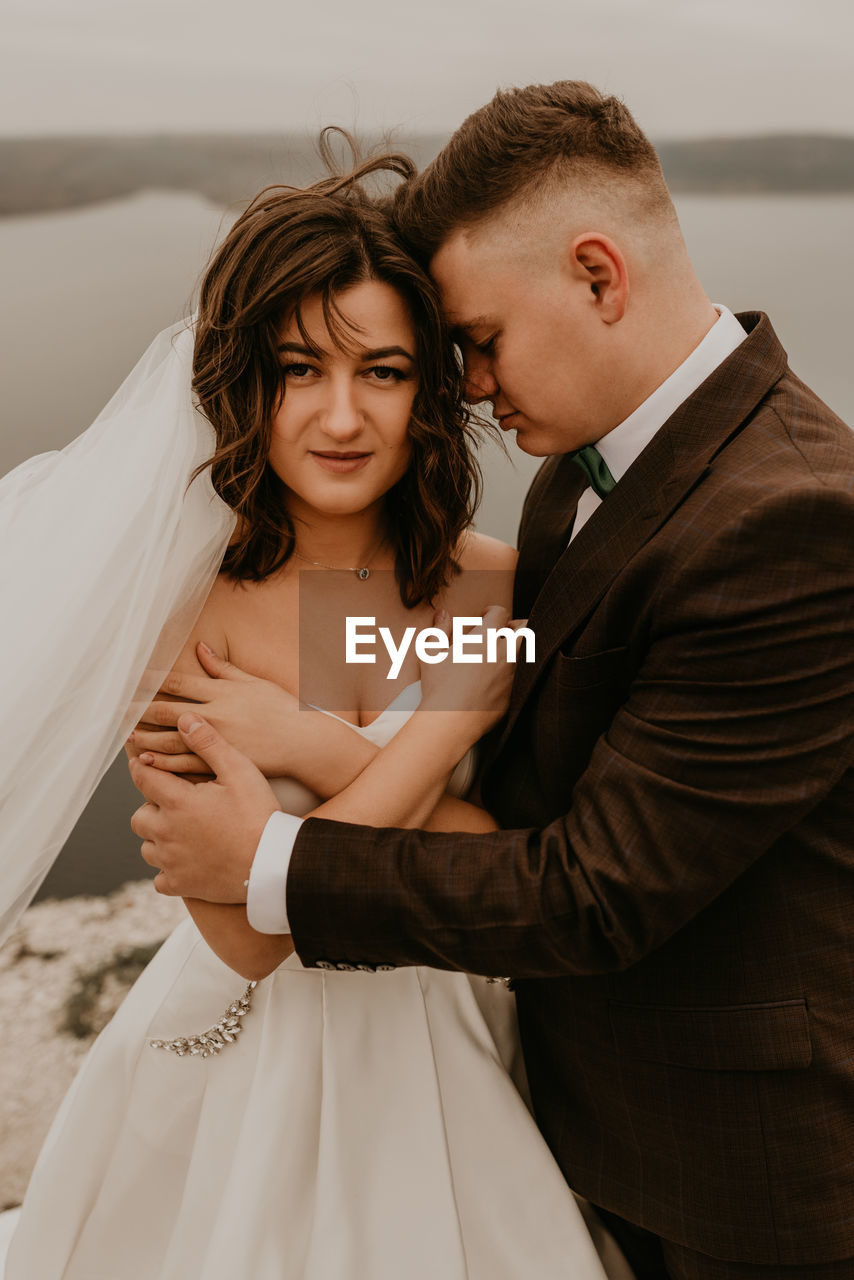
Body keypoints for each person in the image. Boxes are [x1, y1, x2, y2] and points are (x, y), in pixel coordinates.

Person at [131, 83, 854, 1279]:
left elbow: (588, 888)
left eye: (469, 345)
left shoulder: (795, 521)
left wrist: (279, 823)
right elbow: (518, 794)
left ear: (596, 275)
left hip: (738, 1170)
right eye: (300, 368)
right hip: (556, 1103)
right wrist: (354, 739)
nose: (466, 387)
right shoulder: (573, 477)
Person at [5, 151, 620, 1279]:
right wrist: (445, 720)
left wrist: (301, 744)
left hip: (452, 1041)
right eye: (299, 368)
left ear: (428, 391)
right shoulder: (197, 616)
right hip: (251, 1065)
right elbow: (246, 933)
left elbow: (509, 856)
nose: (341, 415)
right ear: (247, 383)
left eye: (382, 371)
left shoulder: (489, 580)